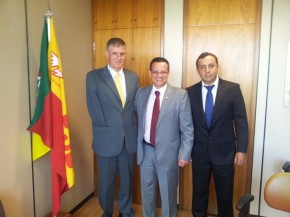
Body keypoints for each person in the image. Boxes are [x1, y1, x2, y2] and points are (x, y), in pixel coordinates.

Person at [186, 52, 249, 217]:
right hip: (199, 153)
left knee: (225, 195)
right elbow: (186, 125)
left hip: (226, 153)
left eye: (211, 66)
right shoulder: (189, 92)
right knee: (199, 194)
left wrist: (241, 150)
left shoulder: (233, 89)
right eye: (202, 67)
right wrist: (186, 151)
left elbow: (241, 121)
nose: (207, 71)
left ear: (217, 67)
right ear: (198, 70)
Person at [135, 57, 194, 217]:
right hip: (146, 152)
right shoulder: (141, 93)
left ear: (168, 73)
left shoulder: (180, 95)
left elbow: (187, 128)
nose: (159, 75)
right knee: (147, 194)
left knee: (168, 196)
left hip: (169, 154)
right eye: (155, 72)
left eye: (163, 72)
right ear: (150, 73)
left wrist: (185, 153)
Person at [86, 37, 138, 217]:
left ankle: (126, 211)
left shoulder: (133, 77)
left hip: (128, 140)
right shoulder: (93, 77)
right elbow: (94, 110)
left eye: (122, 54)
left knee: (127, 181)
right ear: (107, 53)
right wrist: (112, 130)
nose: (118, 57)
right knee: (106, 183)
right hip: (106, 140)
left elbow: (133, 108)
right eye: (115, 53)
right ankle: (106, 213)